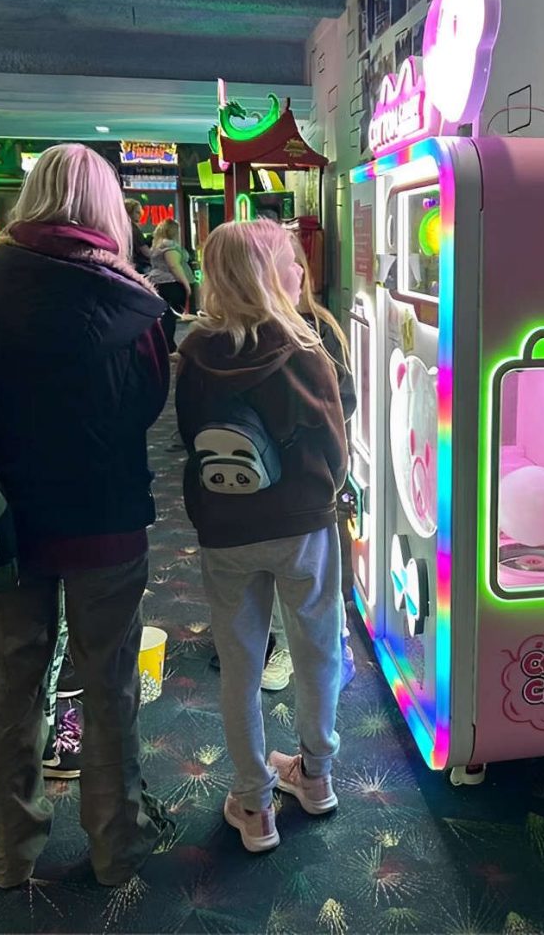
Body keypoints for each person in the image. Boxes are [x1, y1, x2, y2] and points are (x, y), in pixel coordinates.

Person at [0, 143, 172, 889]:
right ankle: (117, 847)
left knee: (11, 687)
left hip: (2, 519)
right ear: (105, 206)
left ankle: (10, 854)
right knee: (109, 685)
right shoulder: (132, 297)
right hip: (106, 517)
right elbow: (146, 404)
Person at [175, 219, 347, 853]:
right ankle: (317, 774)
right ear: (272, 274)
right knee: (316, 648)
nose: (301, 271)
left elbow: (188, 439)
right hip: (302, 523)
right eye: (292, 262)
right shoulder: (304, 345)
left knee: (240, 662)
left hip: (225, 529)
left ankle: (253, 801)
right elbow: (334, 437)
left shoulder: (194, 354)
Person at [260, 240, 358, 694]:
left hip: (316, 475)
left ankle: (335, 640)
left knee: (322, 571)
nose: (295, 276)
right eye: (284, 268)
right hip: (268, 479)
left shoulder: (320, 327)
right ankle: (282, 641)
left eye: (297, 267)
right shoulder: (252, 330)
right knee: (276, 567)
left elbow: (347, 399)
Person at [148, 218, 192, 354]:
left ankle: (165, 345)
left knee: (165, 316)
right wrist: (186, 284)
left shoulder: (158, 244)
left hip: (159, 282)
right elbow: (174, 265)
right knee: (169, 317)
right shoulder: (169, 245)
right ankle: (168, 347)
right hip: (171, 283)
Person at [124, 198, 151, 274]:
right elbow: (146, 252)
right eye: (137, 212)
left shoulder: (122, 227)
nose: (141, 215)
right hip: (138, 266)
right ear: (129, 212)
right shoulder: (134, 229)